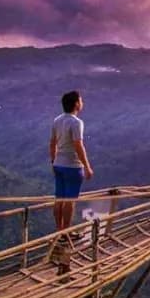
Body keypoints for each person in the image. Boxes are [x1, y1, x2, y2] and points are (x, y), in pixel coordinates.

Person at [49, 91, 94, 239]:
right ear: (76, 104)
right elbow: (78, 145)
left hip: (58, 165)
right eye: (81, 100)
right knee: (70, 200)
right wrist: (87, 167)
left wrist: (53, 161)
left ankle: (58, 231)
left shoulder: (57, 120)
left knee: (59, 198)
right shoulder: (76, 122)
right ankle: (66, 233)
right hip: (72, 166)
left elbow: (52, 142)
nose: (82, 103)